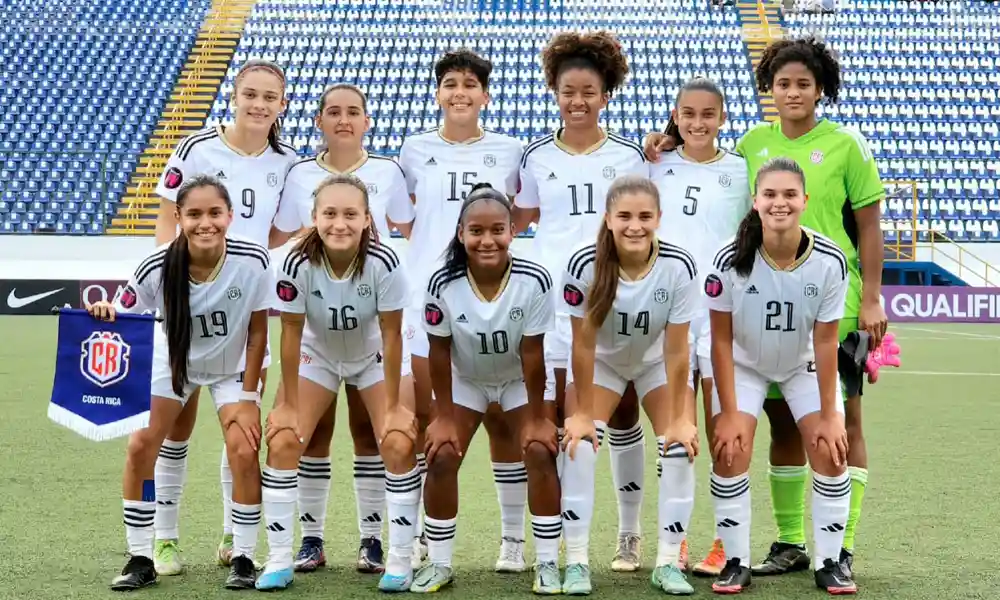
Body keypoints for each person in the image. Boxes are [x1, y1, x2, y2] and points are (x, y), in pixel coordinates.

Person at [643, 36, 886, 578]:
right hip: (755, 305)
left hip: (832, 304)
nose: (793, 92)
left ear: (821, 88)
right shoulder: (752, 142)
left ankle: (839, 547)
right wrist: (658, 140)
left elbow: (869, 225)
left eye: (804, 83)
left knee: (839, 422)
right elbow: (697, 148)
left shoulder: (846, 143)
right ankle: (791, 541)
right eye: (783, 83)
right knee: (770, 425)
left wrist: (871, 296)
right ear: (768, 89)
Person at [149, 58, 298, 574]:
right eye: (249, 94)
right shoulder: (195, 148)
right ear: (234, 96)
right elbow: (167, 218)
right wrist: (177, 284)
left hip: (244, 312)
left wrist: (251, 267)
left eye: (269, 97)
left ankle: (237, 535)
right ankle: (164, 541)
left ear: (282, 104)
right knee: (176, 426)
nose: (258, 105)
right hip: (186, 305)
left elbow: (278, 231)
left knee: (240, 427)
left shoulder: (289, 163)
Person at [90, 175, 274, 591]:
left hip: (232, 367)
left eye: (214, 213)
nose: (204, 223)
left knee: (244, 447)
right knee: (141, 445)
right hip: (174, 362)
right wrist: (106, 310)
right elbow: (126, 316)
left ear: (230, 215)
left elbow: (260, 332)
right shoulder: (157, 264)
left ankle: (243, 556)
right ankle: (141, 556)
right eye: (193, 214)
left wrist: (247, 397)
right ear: (179, 217)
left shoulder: (254, 260)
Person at [512, 30, 652, 573]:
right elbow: (518, 219)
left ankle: (629, 533)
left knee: (621, 414)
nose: (578, 101)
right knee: (555, 420)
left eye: (588, 91)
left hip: (615, 305)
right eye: (568, 90)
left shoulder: (631, 155)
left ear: (605, 94)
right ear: (554, 91)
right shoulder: (534, 156)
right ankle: (559, 547)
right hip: (549, 307)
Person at [270, 83, 416, 574]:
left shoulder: (385, 261)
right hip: (318, 353)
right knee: (288, 437)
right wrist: (288, 400)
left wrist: (396, 405)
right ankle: (297, 547)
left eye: (350, 214)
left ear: (367, 218)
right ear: (312, 217)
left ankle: (383, 550)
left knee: (392, 438)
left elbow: (394, 336)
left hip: (371, 353)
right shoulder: (294, 262)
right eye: (329, 214)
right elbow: (290, 333)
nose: (338, 223)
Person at [704, 158, 856, 595]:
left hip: (801, 363)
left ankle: (830, 563)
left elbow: (826, 343)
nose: (780, 203)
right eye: (770, 194)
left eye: (790, 194)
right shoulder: (728, 260)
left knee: (830, 448)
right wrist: (729, 412)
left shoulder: (829, 260)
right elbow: (719, 343)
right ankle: (735, 561)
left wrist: (829, 413)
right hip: (744, 364)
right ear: (755, 201)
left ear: (805, 201)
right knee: (730, 450)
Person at [398, 48, 524, 571]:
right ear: (438, 93)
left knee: (499, 419)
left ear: (485, 95)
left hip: (493, 302)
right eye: (451, 83)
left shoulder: (511, 151)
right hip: (426, 302)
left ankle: (513, 541)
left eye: (471, 84)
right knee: (429, 418)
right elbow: (406, 220)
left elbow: (524, 212)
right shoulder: (412, 149)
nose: (460, 92)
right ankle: (428, 539)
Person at [410, 184, 560, 594]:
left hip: (515, 380)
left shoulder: (534, 279)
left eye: (497, 230)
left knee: (540, 450)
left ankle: (546, 561)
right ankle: (439, 563)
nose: (487, 240)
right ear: (461, 233)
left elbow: (533, 355)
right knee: (440, 454)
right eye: (476, 231)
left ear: (513, 230)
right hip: (467, 381)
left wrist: (536, 418)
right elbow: (438, 353)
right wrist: (441, 417)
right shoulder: (442, 281)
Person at [560, 176, 700, 596]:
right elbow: (582, 344)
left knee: (680, 447)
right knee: (578, 445)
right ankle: (577, 562)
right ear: (608, 218)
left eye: (644, 216)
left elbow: (677, 351)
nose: (634, 225)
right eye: (624, 216)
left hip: (656, 364)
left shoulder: (679, 266)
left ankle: (667, 562)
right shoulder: (583, 264)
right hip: (603, 364)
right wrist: (582, 413)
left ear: (659, 218)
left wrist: (678, 418)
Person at [650, 76, 751, 576]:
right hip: (669, 317)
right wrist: (654, 142)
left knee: (722, 431)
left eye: (707, 114)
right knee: (675, 430)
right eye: (687, 114)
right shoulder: (654, 163)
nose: (697, 123)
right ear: (675, 115)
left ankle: (722, 542)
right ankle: (676, 542)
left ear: (722, 118)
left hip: (721, 318)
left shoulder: (740, 169)